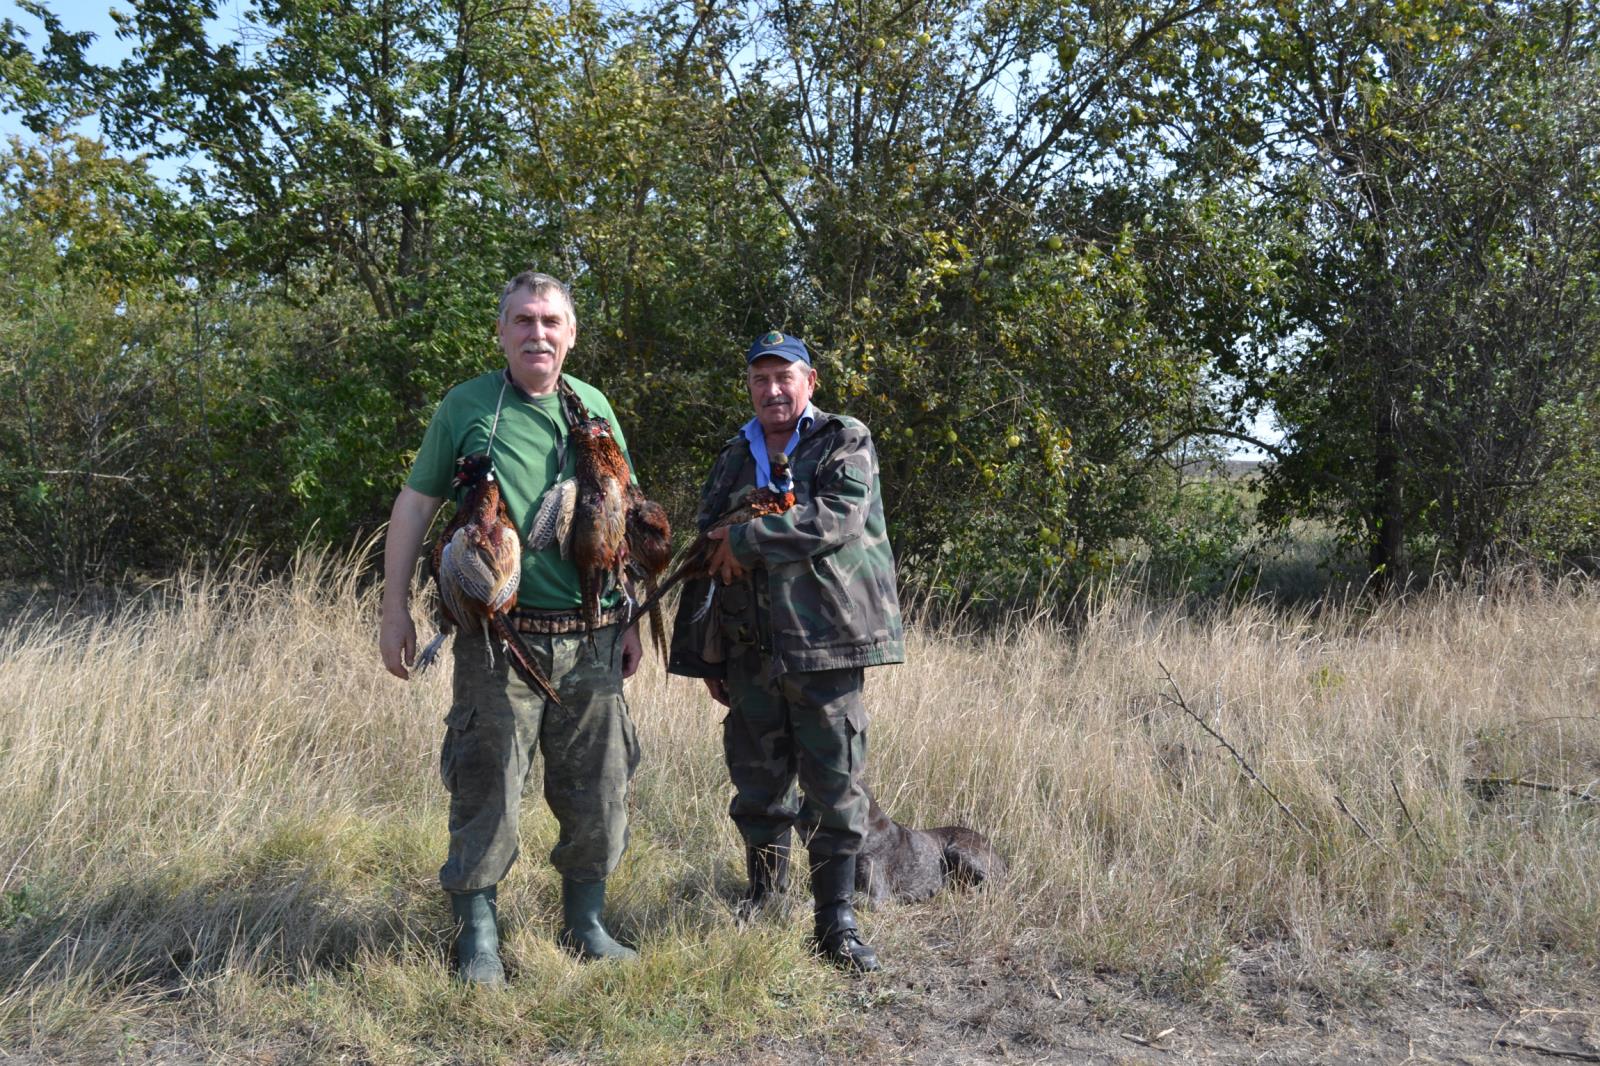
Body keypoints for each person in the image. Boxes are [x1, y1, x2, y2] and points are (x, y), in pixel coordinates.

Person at [380, 271, 644, 984]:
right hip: (499, 640)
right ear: (501, 332)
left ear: (571, 333)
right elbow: (415, 504)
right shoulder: (467, 406)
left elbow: (622, 514)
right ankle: (477, 937)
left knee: (600, 787)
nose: (537, 333)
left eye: (551, 321)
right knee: (487, 785)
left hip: (592, 634)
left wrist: (629, 617)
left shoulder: (594, 407)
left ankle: (586, 923)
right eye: (523, 320)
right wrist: (394, 607)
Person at [667, 330, 905, 973]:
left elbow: (838, 517)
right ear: (749, 386)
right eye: (760, 379)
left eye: (784, 377)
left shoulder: (843, 438)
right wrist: (707, 654)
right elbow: (706, 553)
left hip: (826, 643)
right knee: (757, 780)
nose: (772, 390)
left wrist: (749, 540)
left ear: (809, 381)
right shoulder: (733, 455)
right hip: (749, 648)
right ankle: (765, 900)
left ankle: (836, 921)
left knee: (834, 784)